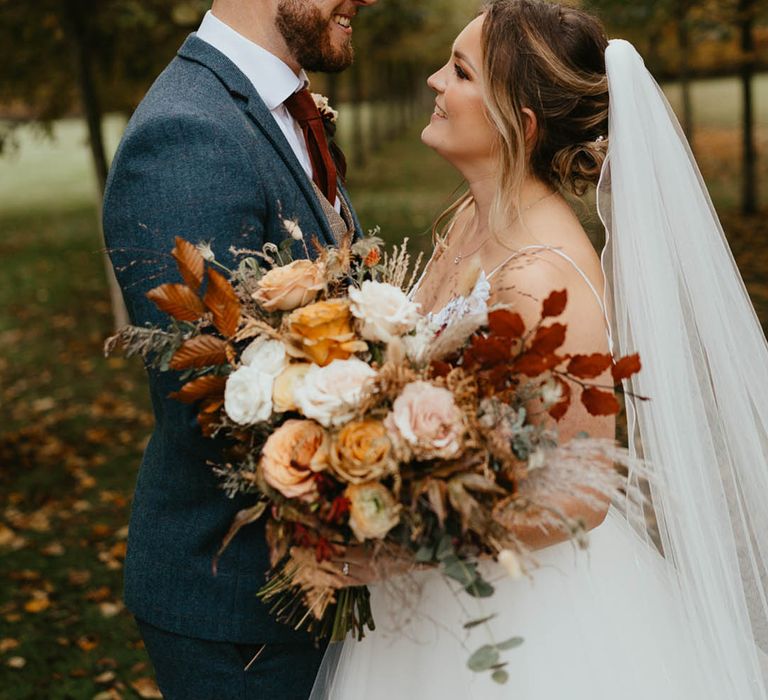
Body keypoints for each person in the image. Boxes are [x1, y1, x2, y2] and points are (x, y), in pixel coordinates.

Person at [310, 1, 768, 698]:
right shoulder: (472, 217)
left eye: (460, 71)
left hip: (522, 621)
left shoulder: (539, 277)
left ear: (516, 124)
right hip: (438, 601)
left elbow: (579, 499)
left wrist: (399, 549)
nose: (435, 80)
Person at [102, 1, 377, 697]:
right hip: (242, 608)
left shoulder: (280, 108)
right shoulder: (187, 133)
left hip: (312, 583)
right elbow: (217, 401)